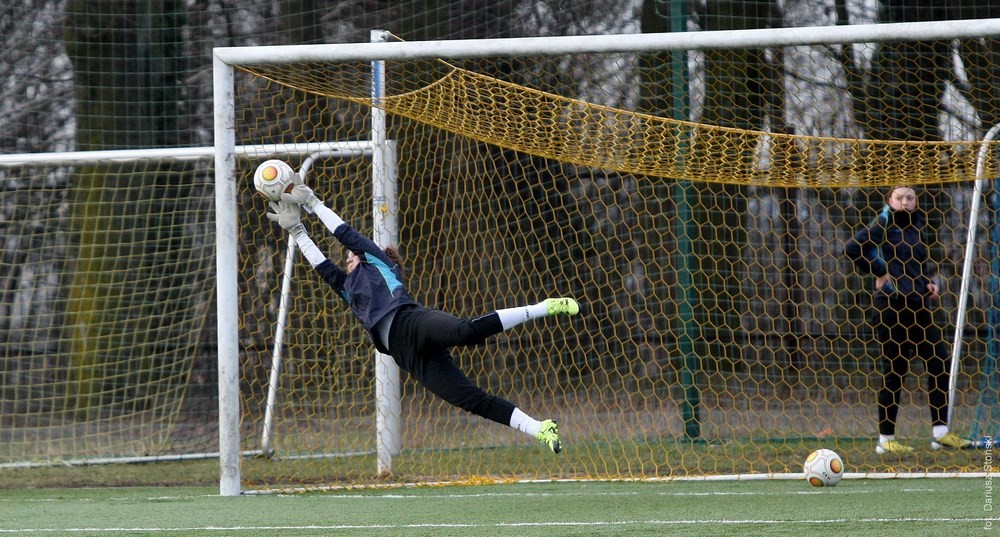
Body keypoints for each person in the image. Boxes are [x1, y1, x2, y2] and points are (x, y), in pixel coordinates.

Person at [265, 179, 579, 454]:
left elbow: (344, 232)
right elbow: (322, 267)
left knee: (466, 332)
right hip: (406, 354)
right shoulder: (348, 288)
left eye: (351, 256)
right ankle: (539, 428)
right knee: (468, 398)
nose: (347, 260)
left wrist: (313, 203)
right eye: (346, 259)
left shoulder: (380, 263)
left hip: (411, 322)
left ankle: (545, 306)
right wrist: (298, 231)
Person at [845, 185, 970, 454]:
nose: (905, 202)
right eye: (899, 197)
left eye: (910, 197)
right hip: (891, 307)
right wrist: (879, 271)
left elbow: (915, 263)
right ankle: (885, 440)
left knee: (939, 361)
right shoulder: (883, 223)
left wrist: (927, 281)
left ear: (916, 202)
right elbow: (853, 248)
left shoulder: (917, 226)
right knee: (895, 371)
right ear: (890, 201)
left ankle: (940, 434)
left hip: (918, 305)